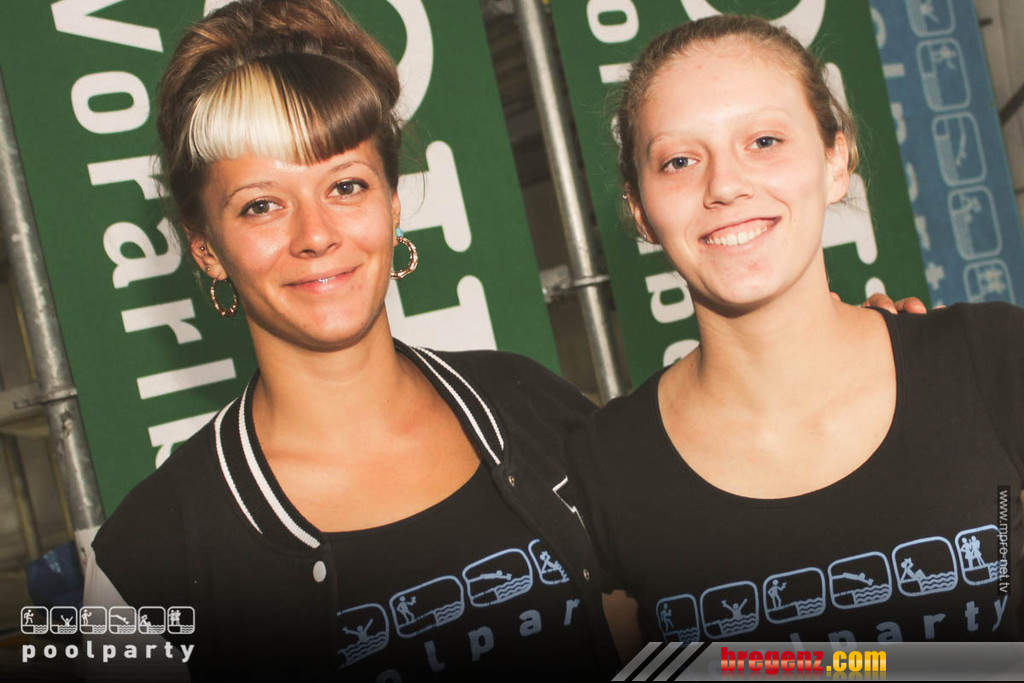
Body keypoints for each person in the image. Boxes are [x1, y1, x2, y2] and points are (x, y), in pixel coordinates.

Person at [84, 0, 619, 679]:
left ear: (392, 206)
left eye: (345, 185)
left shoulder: (533, 403)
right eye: (261, 205)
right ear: (206, 248)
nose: (315, 235)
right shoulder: (143, 560)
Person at [566, 14, 1023, 646]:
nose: (725, 185)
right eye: (678, 160)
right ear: (640, 210)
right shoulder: (606, 466)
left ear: (836, 159)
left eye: (764, 141)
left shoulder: (991, 360)